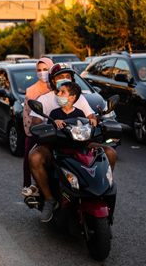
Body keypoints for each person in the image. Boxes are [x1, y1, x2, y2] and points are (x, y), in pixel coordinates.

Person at [28, 63, 117, 222]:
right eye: (60, 77)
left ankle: (101, 189)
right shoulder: (46, 100)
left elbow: (91, 117)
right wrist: (50, 125)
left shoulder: (79, 99)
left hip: (80, 143)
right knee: (35, 157)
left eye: (68, 77)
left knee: (110, 152)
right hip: (55, 146)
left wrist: (96, 121)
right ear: (53, 81)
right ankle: (49, 200)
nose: (64, 80)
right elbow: (35, 122)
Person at [22, 57, 54, 197]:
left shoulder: (59, 88)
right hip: (38, 132)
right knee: (32, 155)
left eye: (45, 70)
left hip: (59, 132)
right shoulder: (31, 90)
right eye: (39, 70)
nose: (42, 73)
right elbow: (27, 115)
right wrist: (33, 132)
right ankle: (36, 186)